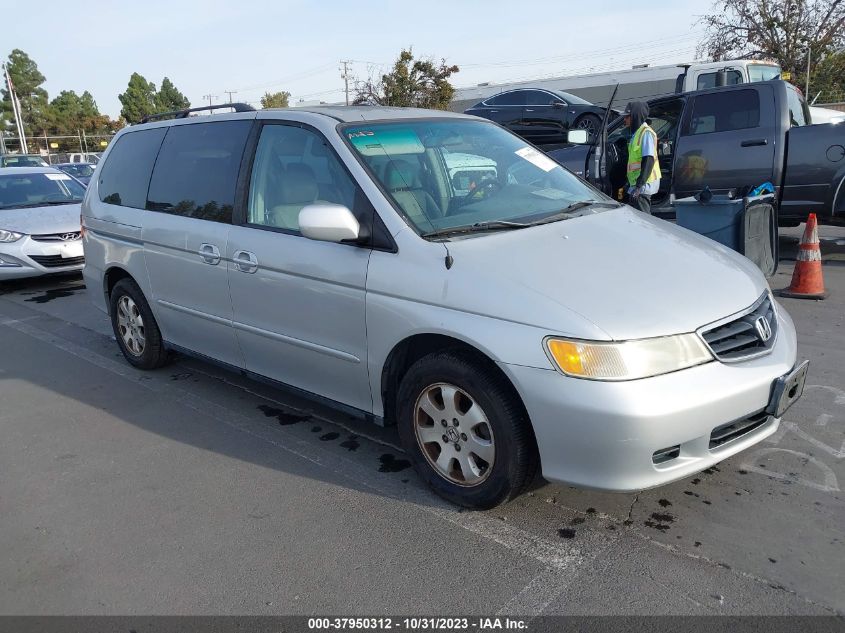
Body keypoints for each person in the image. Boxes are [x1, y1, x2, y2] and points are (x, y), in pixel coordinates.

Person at [623, 101, 661, 214]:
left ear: (635, 116)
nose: (624, 119)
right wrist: (629, 184)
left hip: (643, 187)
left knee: (644, 222)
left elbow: (648, 160)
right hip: (637, 186)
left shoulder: (646, 133)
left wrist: (639, 186)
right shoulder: (636, 134)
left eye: (627, 116)